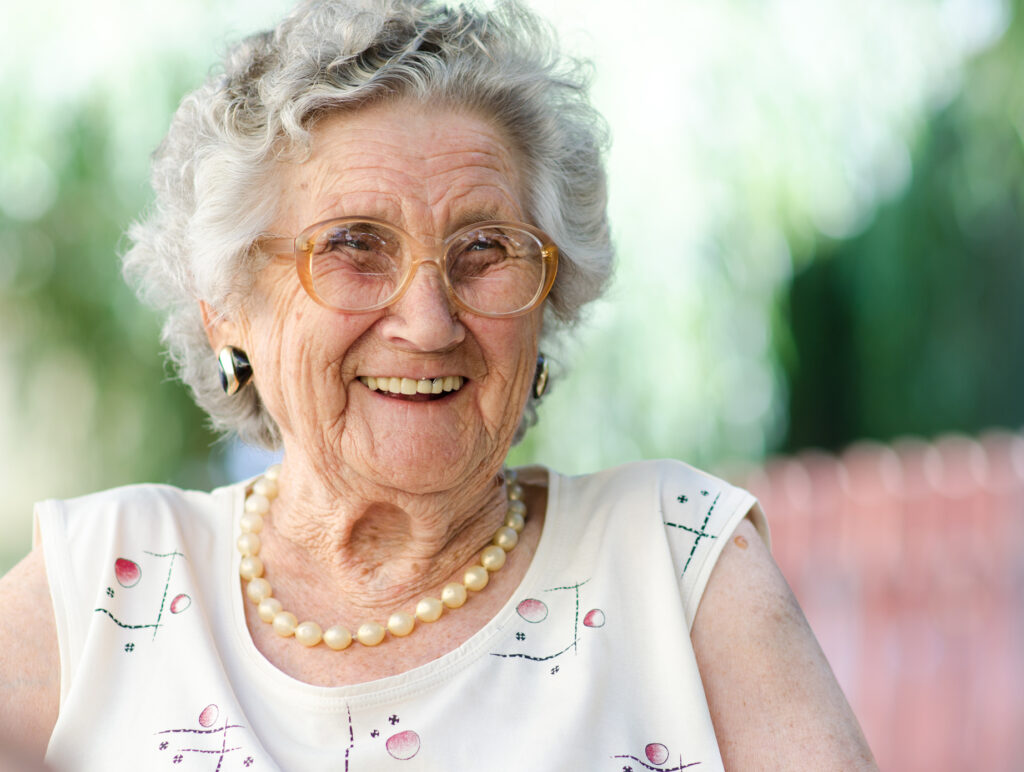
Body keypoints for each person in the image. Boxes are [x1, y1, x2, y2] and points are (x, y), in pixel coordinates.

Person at [0, 1, 877, 768]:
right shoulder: (102, 585)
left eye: (484, 251)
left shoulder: (678, 563)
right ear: (227, 305)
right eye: (352, 246)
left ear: (550, 298)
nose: (428, 321)